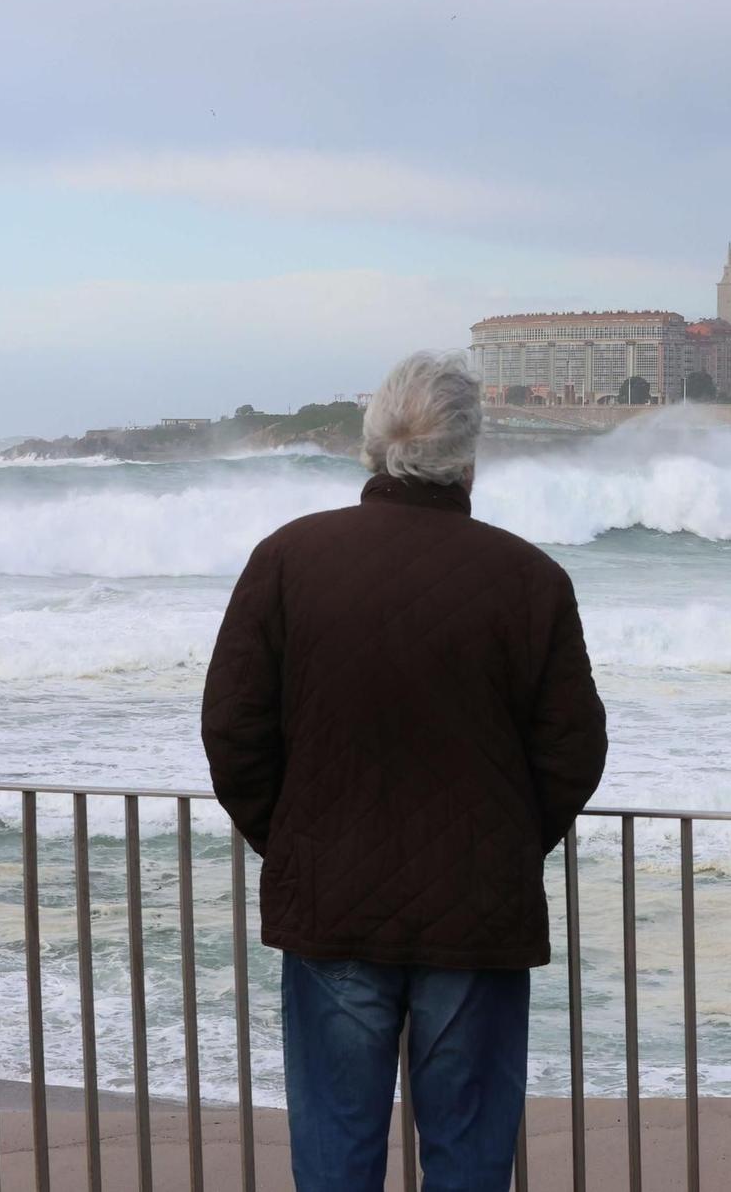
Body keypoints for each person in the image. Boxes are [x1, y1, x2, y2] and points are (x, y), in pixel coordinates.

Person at [203, 351, 608, 1191]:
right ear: (468, 456)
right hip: (476, 917)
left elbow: (233, 731)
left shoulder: (286, 559)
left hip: (333, 906)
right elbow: (573, 748)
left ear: (371, 445)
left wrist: (297, 839)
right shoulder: (531, 579)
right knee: (466, 1160)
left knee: (336, 1157)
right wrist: (501, 842)